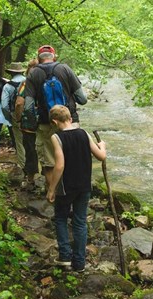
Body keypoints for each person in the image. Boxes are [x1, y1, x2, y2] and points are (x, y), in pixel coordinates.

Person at [47, 105, 106, 272]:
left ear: (54, 121)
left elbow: (59, 166)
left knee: (60, 218)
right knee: (80, 222)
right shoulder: (84, 133)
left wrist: (52, 189)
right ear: (70, 119)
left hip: (67, 187)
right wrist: (103, 145)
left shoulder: (56, 137)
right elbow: (101, 156)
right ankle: (79, 263)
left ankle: (65, 256)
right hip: (84, 185)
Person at [24, 45, 87, 192]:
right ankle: (73, 195)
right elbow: (82, 99)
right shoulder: (65, 69)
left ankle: (54, 196)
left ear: (38, 58)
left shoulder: (33, 74)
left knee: (50, 163)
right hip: (70, 123)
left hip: (46, 124)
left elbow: (28, 106)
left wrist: (34, 123)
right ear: (54, 56)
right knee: (72, 160)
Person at [1, 62, 27, 171]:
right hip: (31, 115)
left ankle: (23, 166)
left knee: (20, 142)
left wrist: (10, 117)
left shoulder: (7, 86)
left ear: (11, 73)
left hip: (16, 115)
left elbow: (4, 106)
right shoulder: (28, 82)